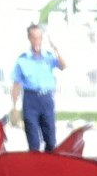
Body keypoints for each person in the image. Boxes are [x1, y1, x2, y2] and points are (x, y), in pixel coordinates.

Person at [11, 23, 65, 151]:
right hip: (30, 100)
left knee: (51, 141)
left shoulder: (49, 57)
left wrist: (56, 49)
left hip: (46, 99)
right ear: (29, 38)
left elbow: (63, 66)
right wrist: (14, 107)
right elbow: (16, 85)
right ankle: (34, 162)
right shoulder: (22, 60)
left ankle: (49, 162)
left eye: (39, 38)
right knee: (33, 142)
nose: (37, 41)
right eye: (34, 38)